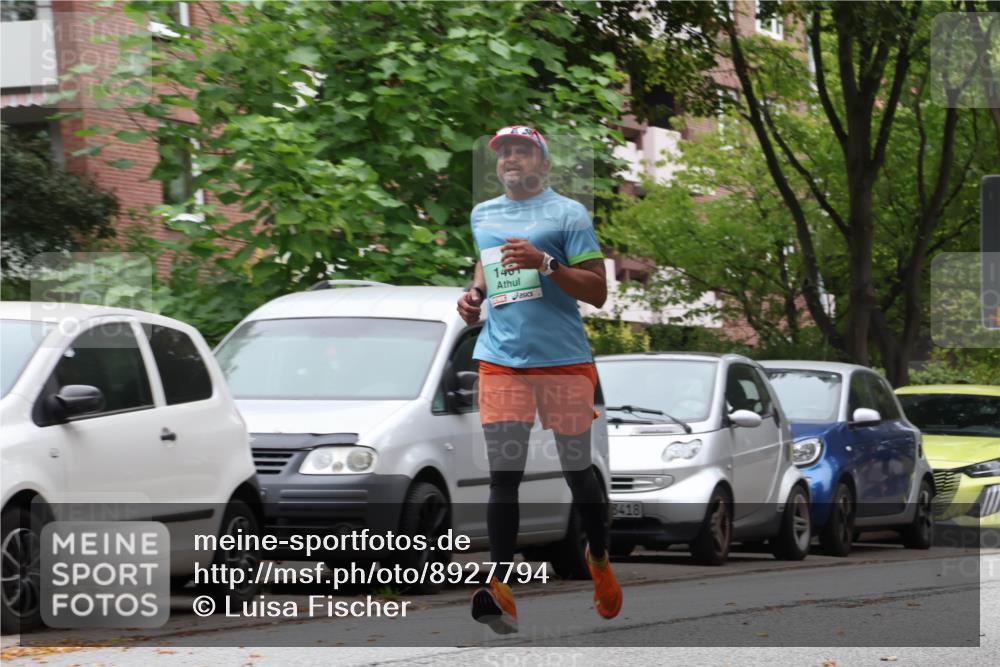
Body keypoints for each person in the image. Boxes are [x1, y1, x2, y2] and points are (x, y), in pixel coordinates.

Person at [456, 125, 622, 634]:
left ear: (543, 163)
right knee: (504, 475)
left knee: (577, 470)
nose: (510, 158)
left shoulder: (568, 214)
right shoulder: (483, 215)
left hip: (562, 360)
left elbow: (597, 292)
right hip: (501, 359)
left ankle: (597, 558)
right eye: (504, 152)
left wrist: (546, 262)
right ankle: (501, 588)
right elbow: (487, 269)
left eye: (521, 151)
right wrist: (473, 296)